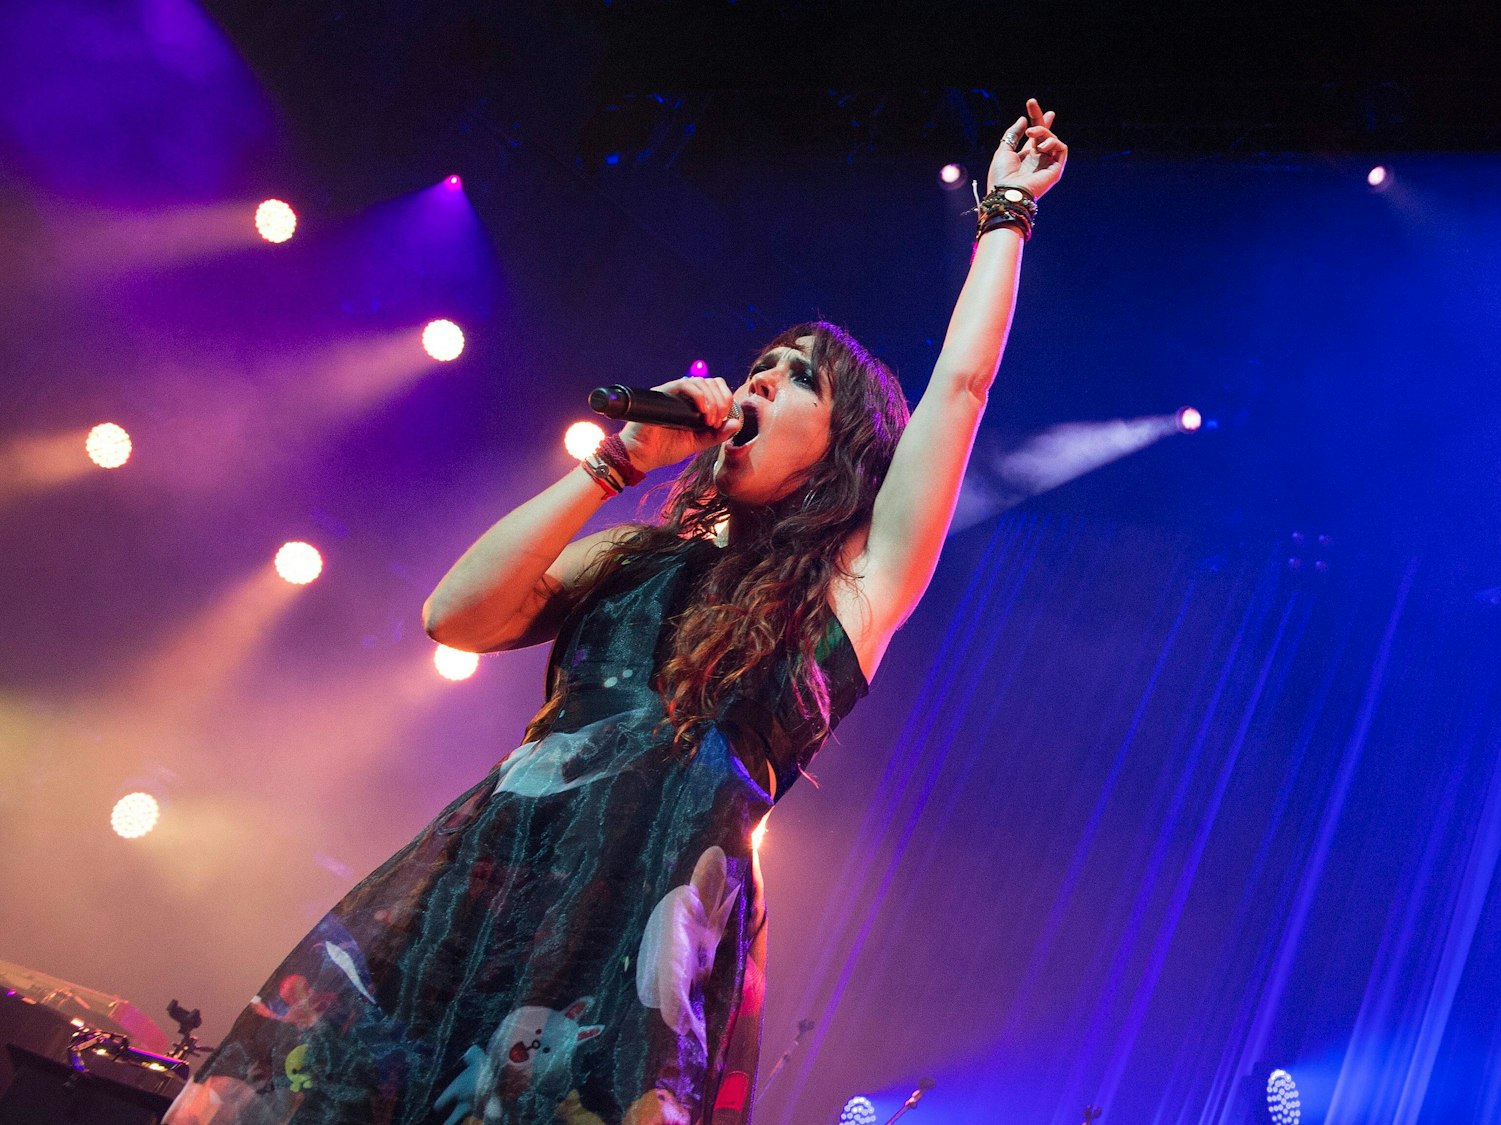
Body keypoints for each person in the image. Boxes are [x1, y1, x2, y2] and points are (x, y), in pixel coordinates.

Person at [165, 100, 1068, 1125]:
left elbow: (960, 389)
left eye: (795, 379)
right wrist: (610, 465)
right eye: (759, 365)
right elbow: (453, 617)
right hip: (493, 871)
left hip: (641, 921)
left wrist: (1003, 213)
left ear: (845, 449)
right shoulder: (632, 555)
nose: (759, 379)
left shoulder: (848, 597)